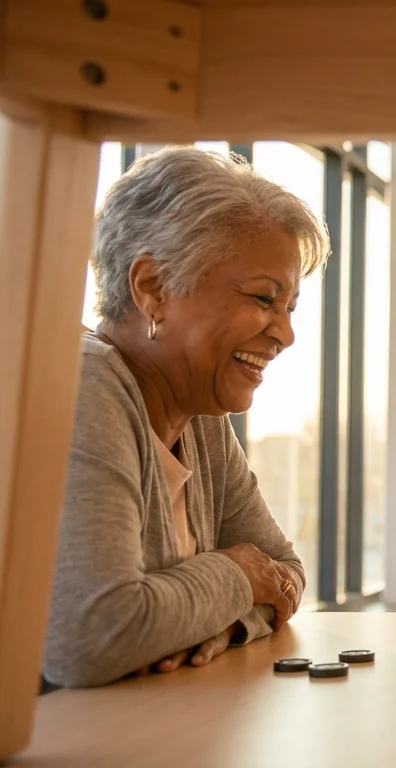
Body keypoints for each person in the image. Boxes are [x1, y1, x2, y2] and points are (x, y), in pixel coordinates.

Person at [43, 146, 329, 688]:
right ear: (153, 288)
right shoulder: (81, 387)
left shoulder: (199, 415)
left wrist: (205, 620)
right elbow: (92, 638)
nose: (285, 334)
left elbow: (285, 574)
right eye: (264, 298)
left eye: (289, 307)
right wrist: (234, 575)